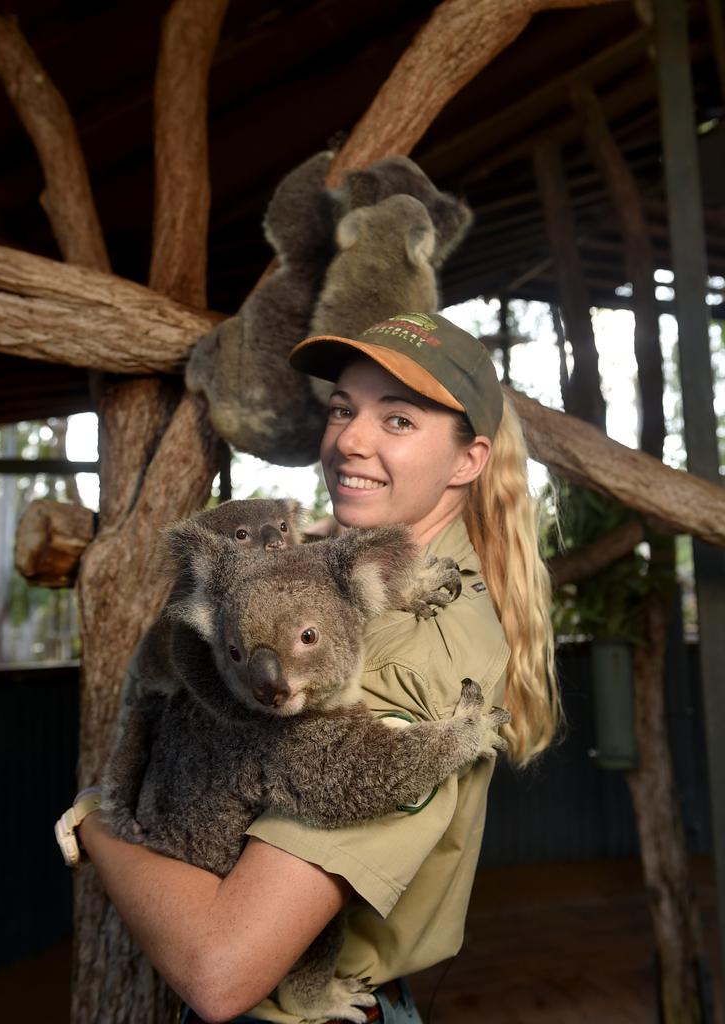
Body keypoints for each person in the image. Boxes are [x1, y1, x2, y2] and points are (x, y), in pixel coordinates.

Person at [70, 311, 559, 1024]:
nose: (348, 440)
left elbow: (222, 968)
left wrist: (98, 824)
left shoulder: (416, 649)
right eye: (342, 409)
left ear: (468, 461)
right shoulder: (344, 576)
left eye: (399, 421)